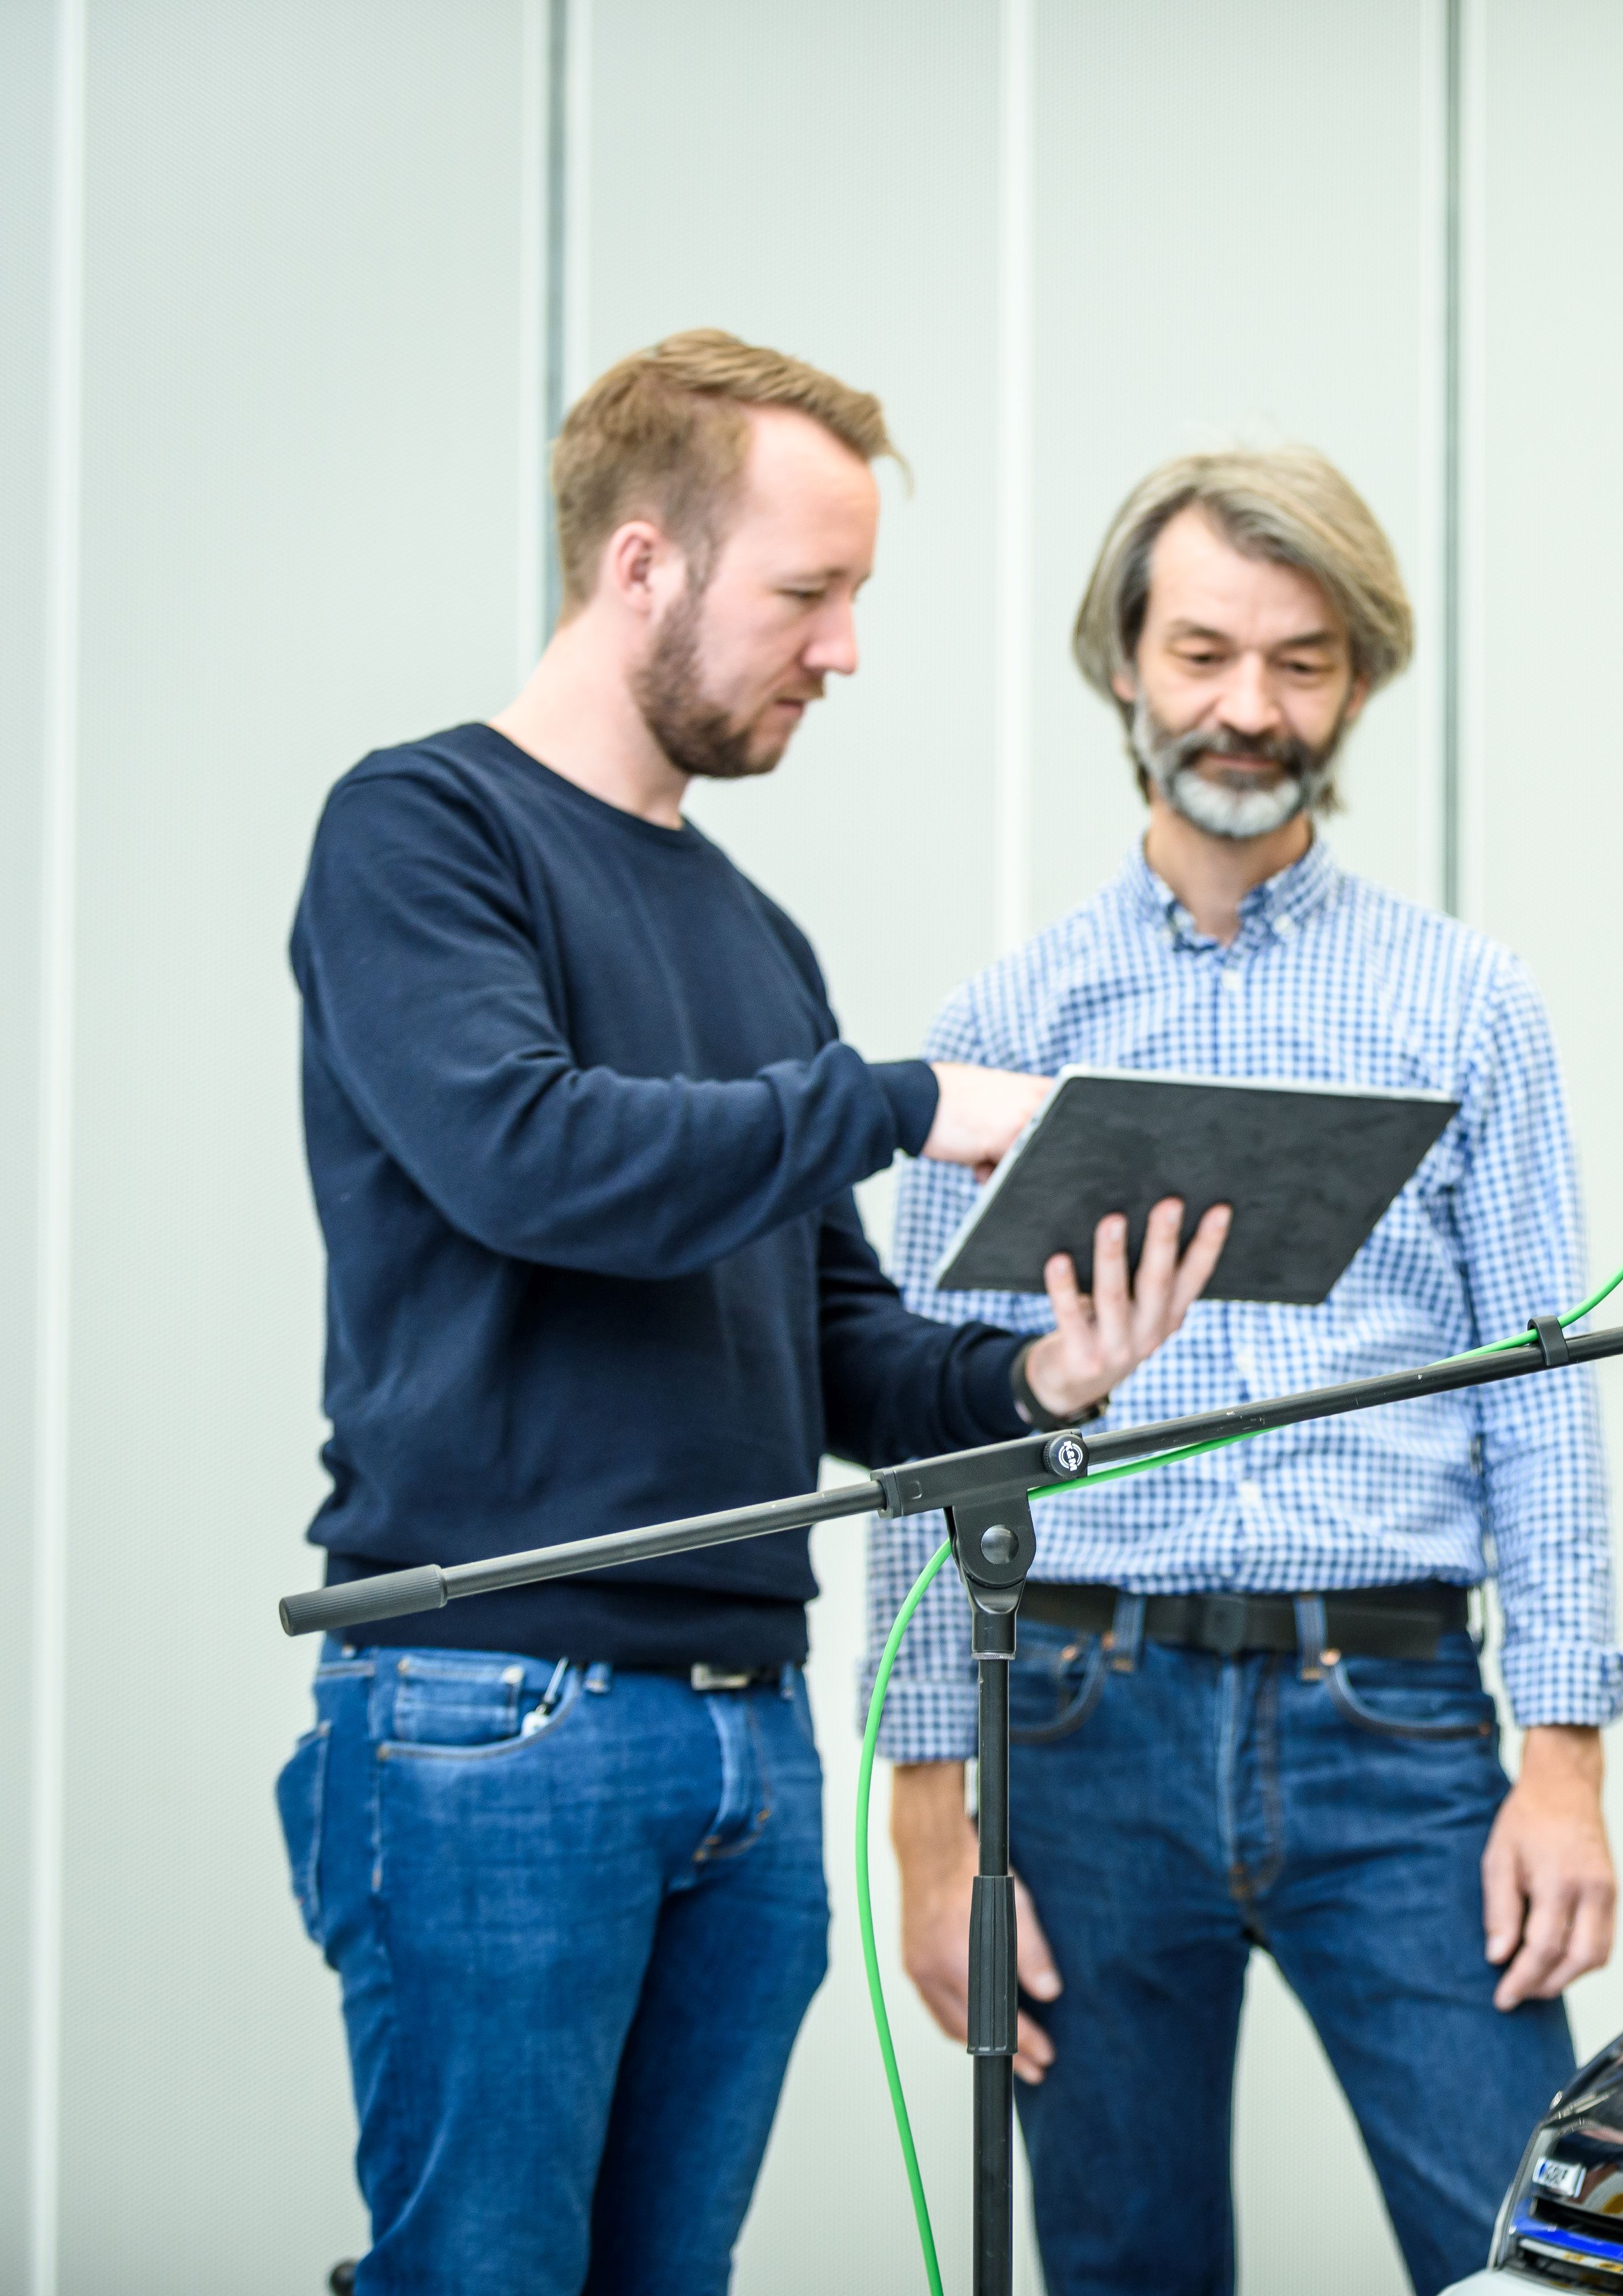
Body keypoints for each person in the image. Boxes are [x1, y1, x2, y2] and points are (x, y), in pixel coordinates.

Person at [276, 330, 1229, 2296]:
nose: (848, 649)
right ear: (644, 568)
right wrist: (902, 1100)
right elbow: (534, 1161)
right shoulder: (419, 838)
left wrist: (1046, 1375)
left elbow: (836, 1349)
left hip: (740, 1748)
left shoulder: (750, 933)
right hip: (495, 1717)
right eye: (810, 593)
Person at [872, 446, 1623, 2294]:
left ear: (1356, 681)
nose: (1247, 706)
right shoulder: (1000, 1030)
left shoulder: (1468, 1007)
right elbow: (929, 1445)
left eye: (1301, 662)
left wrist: (1565, 1768)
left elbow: (1543, 1391)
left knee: (1536, 2259)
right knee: (1125, 2268)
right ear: (1123, 664)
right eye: (1204, 651)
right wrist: (927, 1829)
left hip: (1396, 1733)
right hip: (1077, 1724)